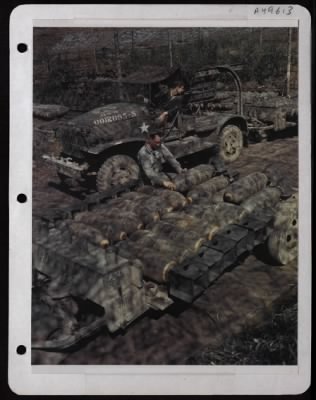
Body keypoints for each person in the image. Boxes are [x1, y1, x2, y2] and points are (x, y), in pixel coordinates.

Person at [137, 126, 186, 190]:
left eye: (159, 142)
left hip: (159, 174)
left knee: (179, 180)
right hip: (148, 181)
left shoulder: (160, 146)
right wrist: (163, 182)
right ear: (150, 140)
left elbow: (170, 158)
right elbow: (149, 173)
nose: (158, 144)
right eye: (156, 142)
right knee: (166, 190)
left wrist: (179, 169)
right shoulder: (143, 153)